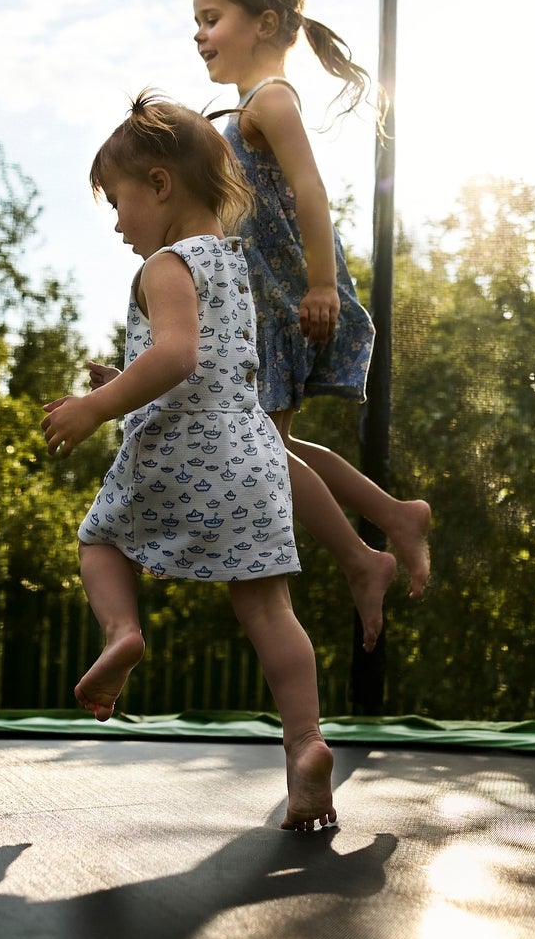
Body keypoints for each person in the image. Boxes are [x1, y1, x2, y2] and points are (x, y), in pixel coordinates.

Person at [43, 92, 337, 832]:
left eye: (118, 201)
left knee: (99, 541)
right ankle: (304, 744)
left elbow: (175, 356)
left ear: (160, 185)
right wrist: (127, 384)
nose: (116, 221)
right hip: (250, 454)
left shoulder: (165, 266)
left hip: (182, 452)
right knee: (270, 611)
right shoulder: (231, 265)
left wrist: (96, 407)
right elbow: (200, 364)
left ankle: (122, 634)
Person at [193, 0, 432, 650]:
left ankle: (365, 559)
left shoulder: (271, 97)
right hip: (261, 305)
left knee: (263, 449)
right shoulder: (242, 109)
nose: (199, 35)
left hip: (289, 304)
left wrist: (323, 285)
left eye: (212, 19)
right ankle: (393, 516)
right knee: (276, 444)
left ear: (263, 23)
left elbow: (309, 190)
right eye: (196, 23)